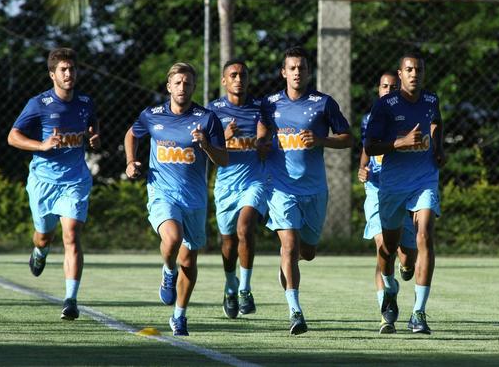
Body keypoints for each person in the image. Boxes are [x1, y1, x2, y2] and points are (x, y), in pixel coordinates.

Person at [124, 62, 228, 336]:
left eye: (188, 83)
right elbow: (131, 135)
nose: (182, 87)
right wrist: (131, 161)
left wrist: (206, 145)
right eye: (178, 83)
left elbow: (224, 159)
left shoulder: (207, 119)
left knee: (190, 260)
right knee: (172, 238)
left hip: (194, 199)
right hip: (162, 193)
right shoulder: (152, 115)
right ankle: (168, 271)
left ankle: (179, 315)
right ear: (169, 86)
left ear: (194, 87)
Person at [257, 46, 353, 335]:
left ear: (308, 72)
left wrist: (322, 140)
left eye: (302, 67)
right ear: (283, 72)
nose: (297, 72)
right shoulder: (269, 104)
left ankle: (289, 267)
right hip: (280, 187)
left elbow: (348, 138)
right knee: (288, 244)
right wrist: (261, 145)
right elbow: (262, 139)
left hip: (314, 189)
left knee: (307, 252)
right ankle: (295, 312)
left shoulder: (323, 103)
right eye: (292, 68)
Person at [7, 47, 100, 320]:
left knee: (71, 234)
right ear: (52, 74)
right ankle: (40, 249)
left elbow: (92, 123)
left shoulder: (85, 102)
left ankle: (70, 299)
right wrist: (42, 144)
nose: (69, 73)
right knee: (44, 235)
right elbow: (13, 137)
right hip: (43, 181)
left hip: (75, 179)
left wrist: (94, 137)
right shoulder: (39, 104)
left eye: (72, 69)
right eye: (63, 70)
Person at [365, 52, 445, 335]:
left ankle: (419, 313)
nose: (415, 74)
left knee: (425, 233)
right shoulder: (385, 105)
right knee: (387, 248)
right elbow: (371, 146)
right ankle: (388, 286)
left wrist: (438, 148)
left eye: (419, 70)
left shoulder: (431, 100)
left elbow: (435, 122)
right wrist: (401, 142)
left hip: (424, 179)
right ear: (400, 74)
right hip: (392, 184)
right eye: (409, 69)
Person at [358, 71, 418, 334]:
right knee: (383, 246)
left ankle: (405, 267)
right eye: (385, 86)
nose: (389, 91)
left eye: (394, 87)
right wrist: (362, 169)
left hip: (401, 190)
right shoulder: (371, 118)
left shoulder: (409, 116)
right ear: (378, 89)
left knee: (407, 255)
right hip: (376, 190)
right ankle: (387, 309)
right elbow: (366, 147)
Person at [207, 59, 267, 319]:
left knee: (246, 227)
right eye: (233, 75)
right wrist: (223, 137)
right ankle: (230, 287)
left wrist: (265, 141)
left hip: (255, 181)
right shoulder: (213, 111)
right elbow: (204, 147)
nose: (238, 79)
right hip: (225, 185)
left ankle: (244, 288)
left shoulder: (260, 108)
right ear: (224, 80)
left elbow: (268, 139)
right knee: (228, 242)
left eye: (243, 74)